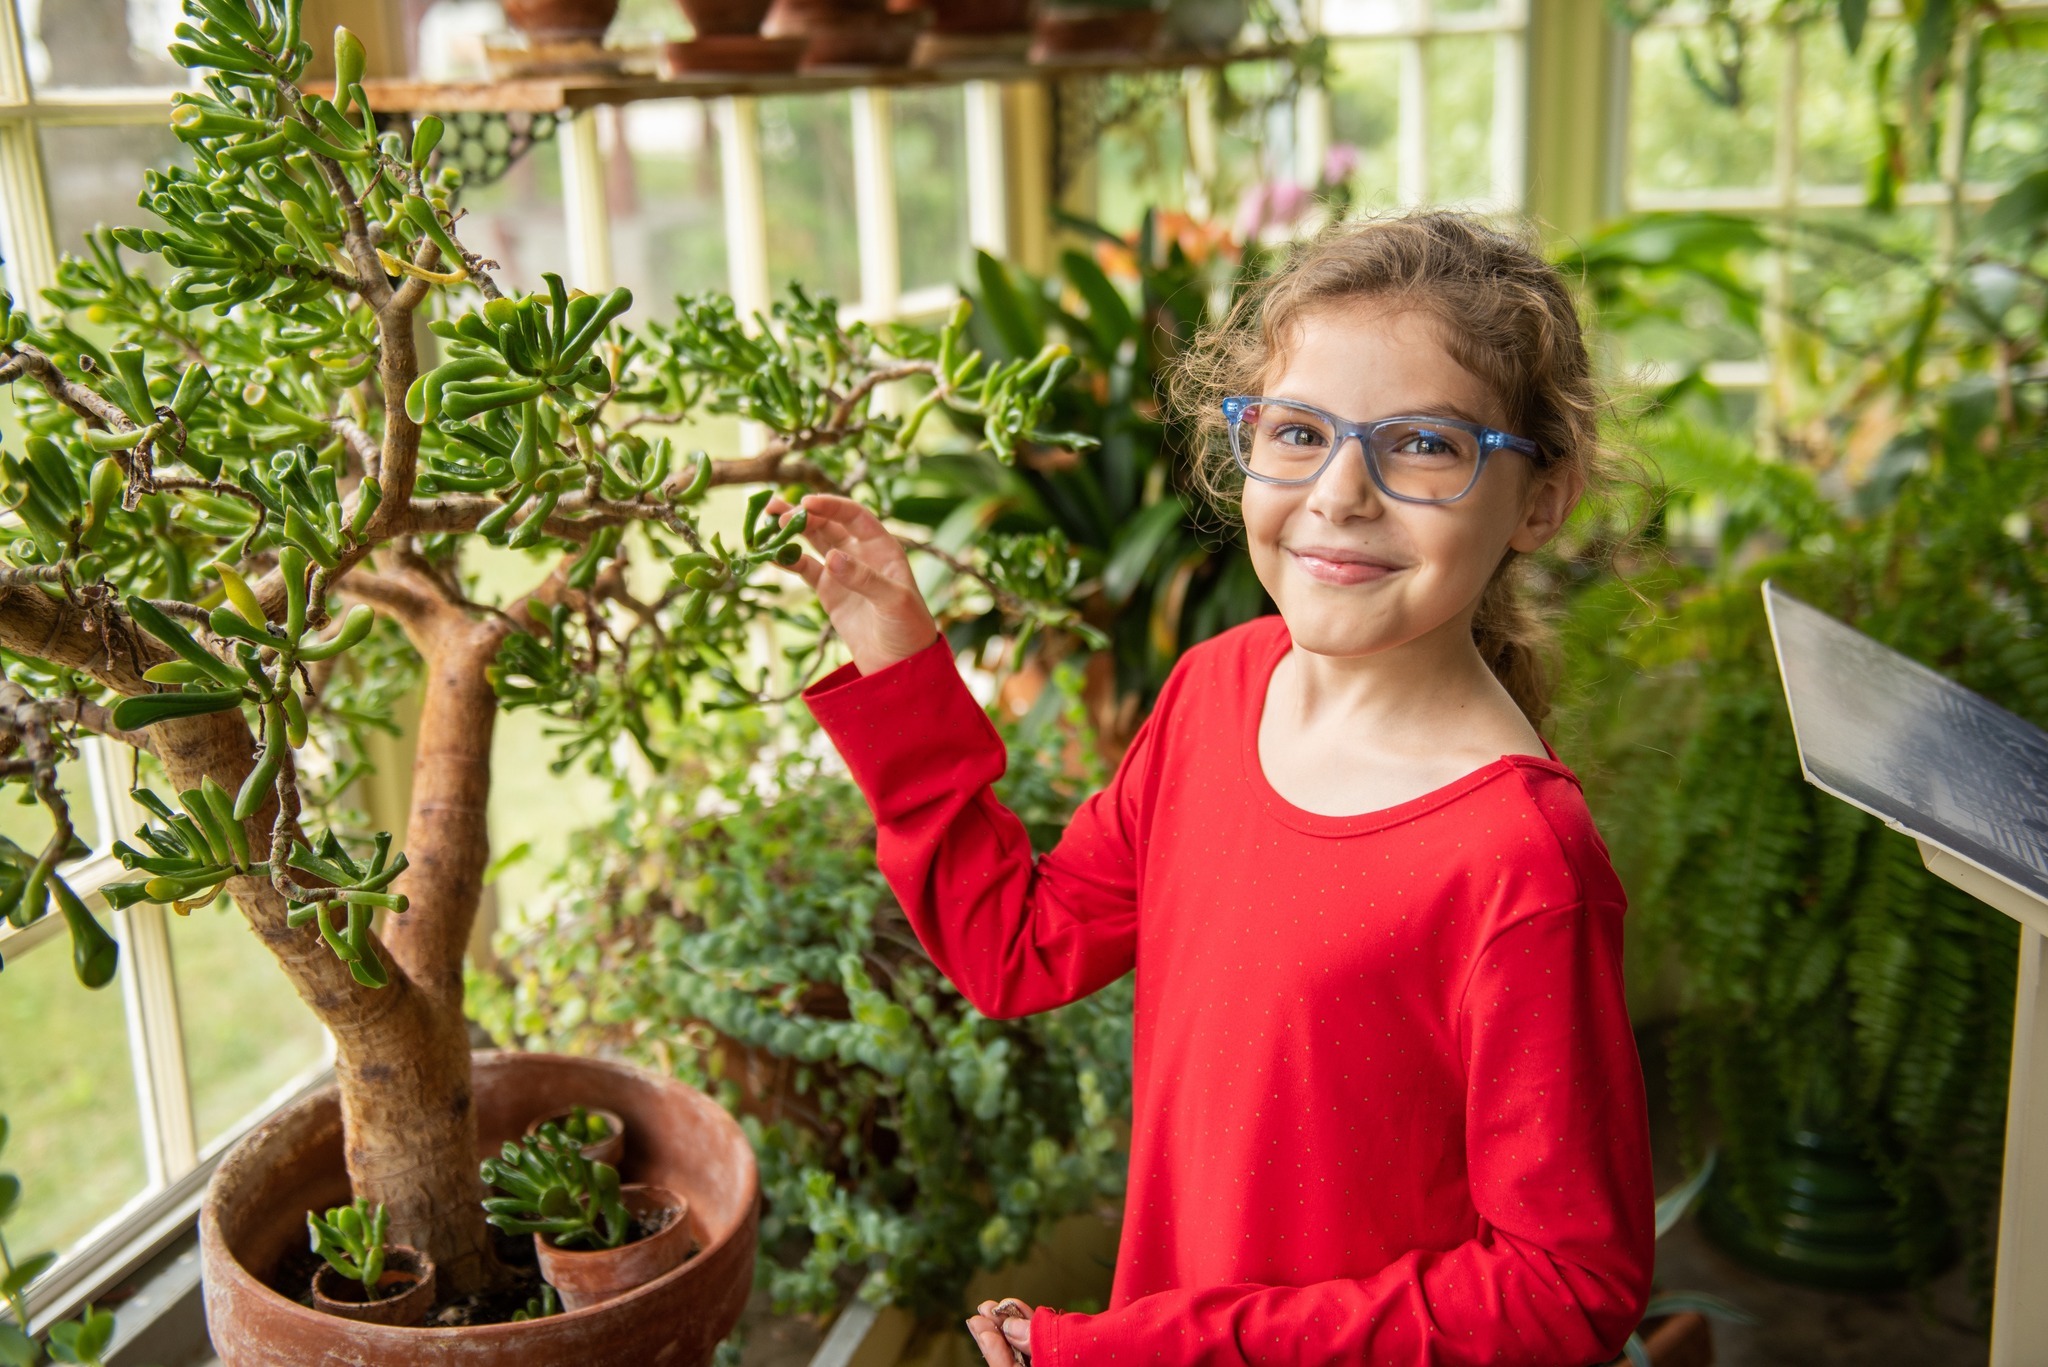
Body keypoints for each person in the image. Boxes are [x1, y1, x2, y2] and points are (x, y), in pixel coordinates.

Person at [766, 211, 1654, 1367]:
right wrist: (899, 663)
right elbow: (1016, 943)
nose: (1339, 494)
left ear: (1539, 500)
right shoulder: (1213, 692)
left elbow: (1562, 1289)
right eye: (1295, 431)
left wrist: (1158, 1347)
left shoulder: (1518, 862)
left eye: (1424, 446)